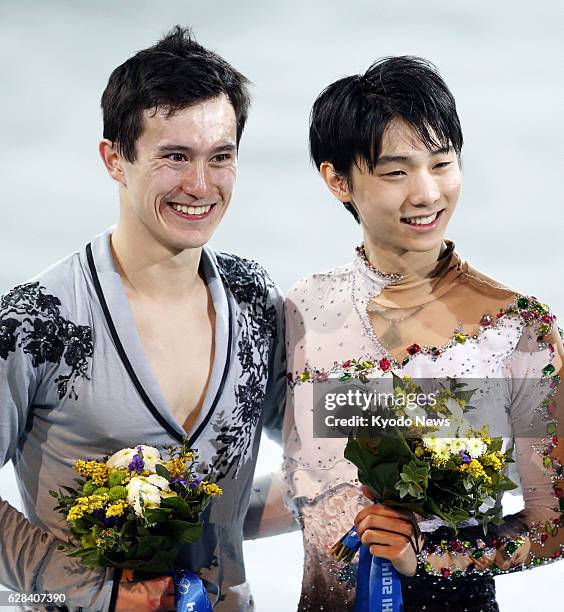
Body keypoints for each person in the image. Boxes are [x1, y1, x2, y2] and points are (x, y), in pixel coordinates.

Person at [0, 26, 286, 611]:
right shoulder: (37, 321)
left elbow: (319, 456)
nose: (200, 185)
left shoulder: (254, 298)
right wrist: (100, 591)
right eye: (175, 156)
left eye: (220, 157)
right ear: (115, 159)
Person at [274, 56, 563, 610]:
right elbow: (301, 480)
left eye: (442, 163)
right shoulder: (303, 309)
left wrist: (425, 555)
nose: (427, 193)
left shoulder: (519, 330)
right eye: (395, 171)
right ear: (338, 180)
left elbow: (553, 525)